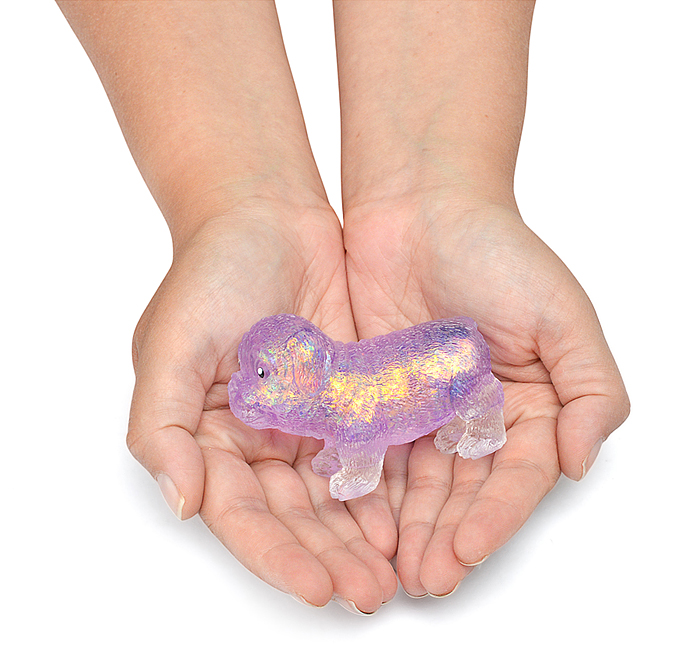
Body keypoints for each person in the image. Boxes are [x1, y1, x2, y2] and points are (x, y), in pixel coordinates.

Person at [57, 0, 629, 614]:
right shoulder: (330, 394)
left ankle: (479, 419)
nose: (250, 392)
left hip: (452, 357)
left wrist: (442, 188)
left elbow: (363, 433)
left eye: (264, 377)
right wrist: (232, 204)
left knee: (465, 393)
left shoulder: (348, 399)